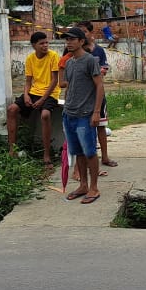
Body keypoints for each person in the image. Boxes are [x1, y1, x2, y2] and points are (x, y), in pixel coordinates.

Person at [60, 27, 104, 204]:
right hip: (69, 113)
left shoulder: (90, 60)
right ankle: (83, 185)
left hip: (85, 114)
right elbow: (68, 85)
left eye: (72, 39)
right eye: (67, 39)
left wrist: (96, 112)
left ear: (81, 41)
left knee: (90, 152)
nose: (69, 42)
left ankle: (94, 187)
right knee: (78, 152)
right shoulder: (69, 63)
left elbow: (99, 86)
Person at [7, 30, 61, 165]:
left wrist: (42, 100)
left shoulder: (53, 56)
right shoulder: (30, 58)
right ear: (34, 45)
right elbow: (28, 81)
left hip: (50, 93)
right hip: (33, 92)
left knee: (45, 115)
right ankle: (12, 150)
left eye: (47, 42)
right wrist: (26, 95)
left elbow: (55, 81)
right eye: (42, 43)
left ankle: (46, 154)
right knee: (12, 109)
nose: (45, 45)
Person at [70, 21, 118, 169]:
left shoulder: (98, 51)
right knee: (83, 128)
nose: (82, 35)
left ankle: (104, 157)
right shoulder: (74, 53)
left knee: (101, 125)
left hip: (97, 94)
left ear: (90, 33)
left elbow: (103, 70)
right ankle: (84, 164)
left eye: (84, 31)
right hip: (81, 97)